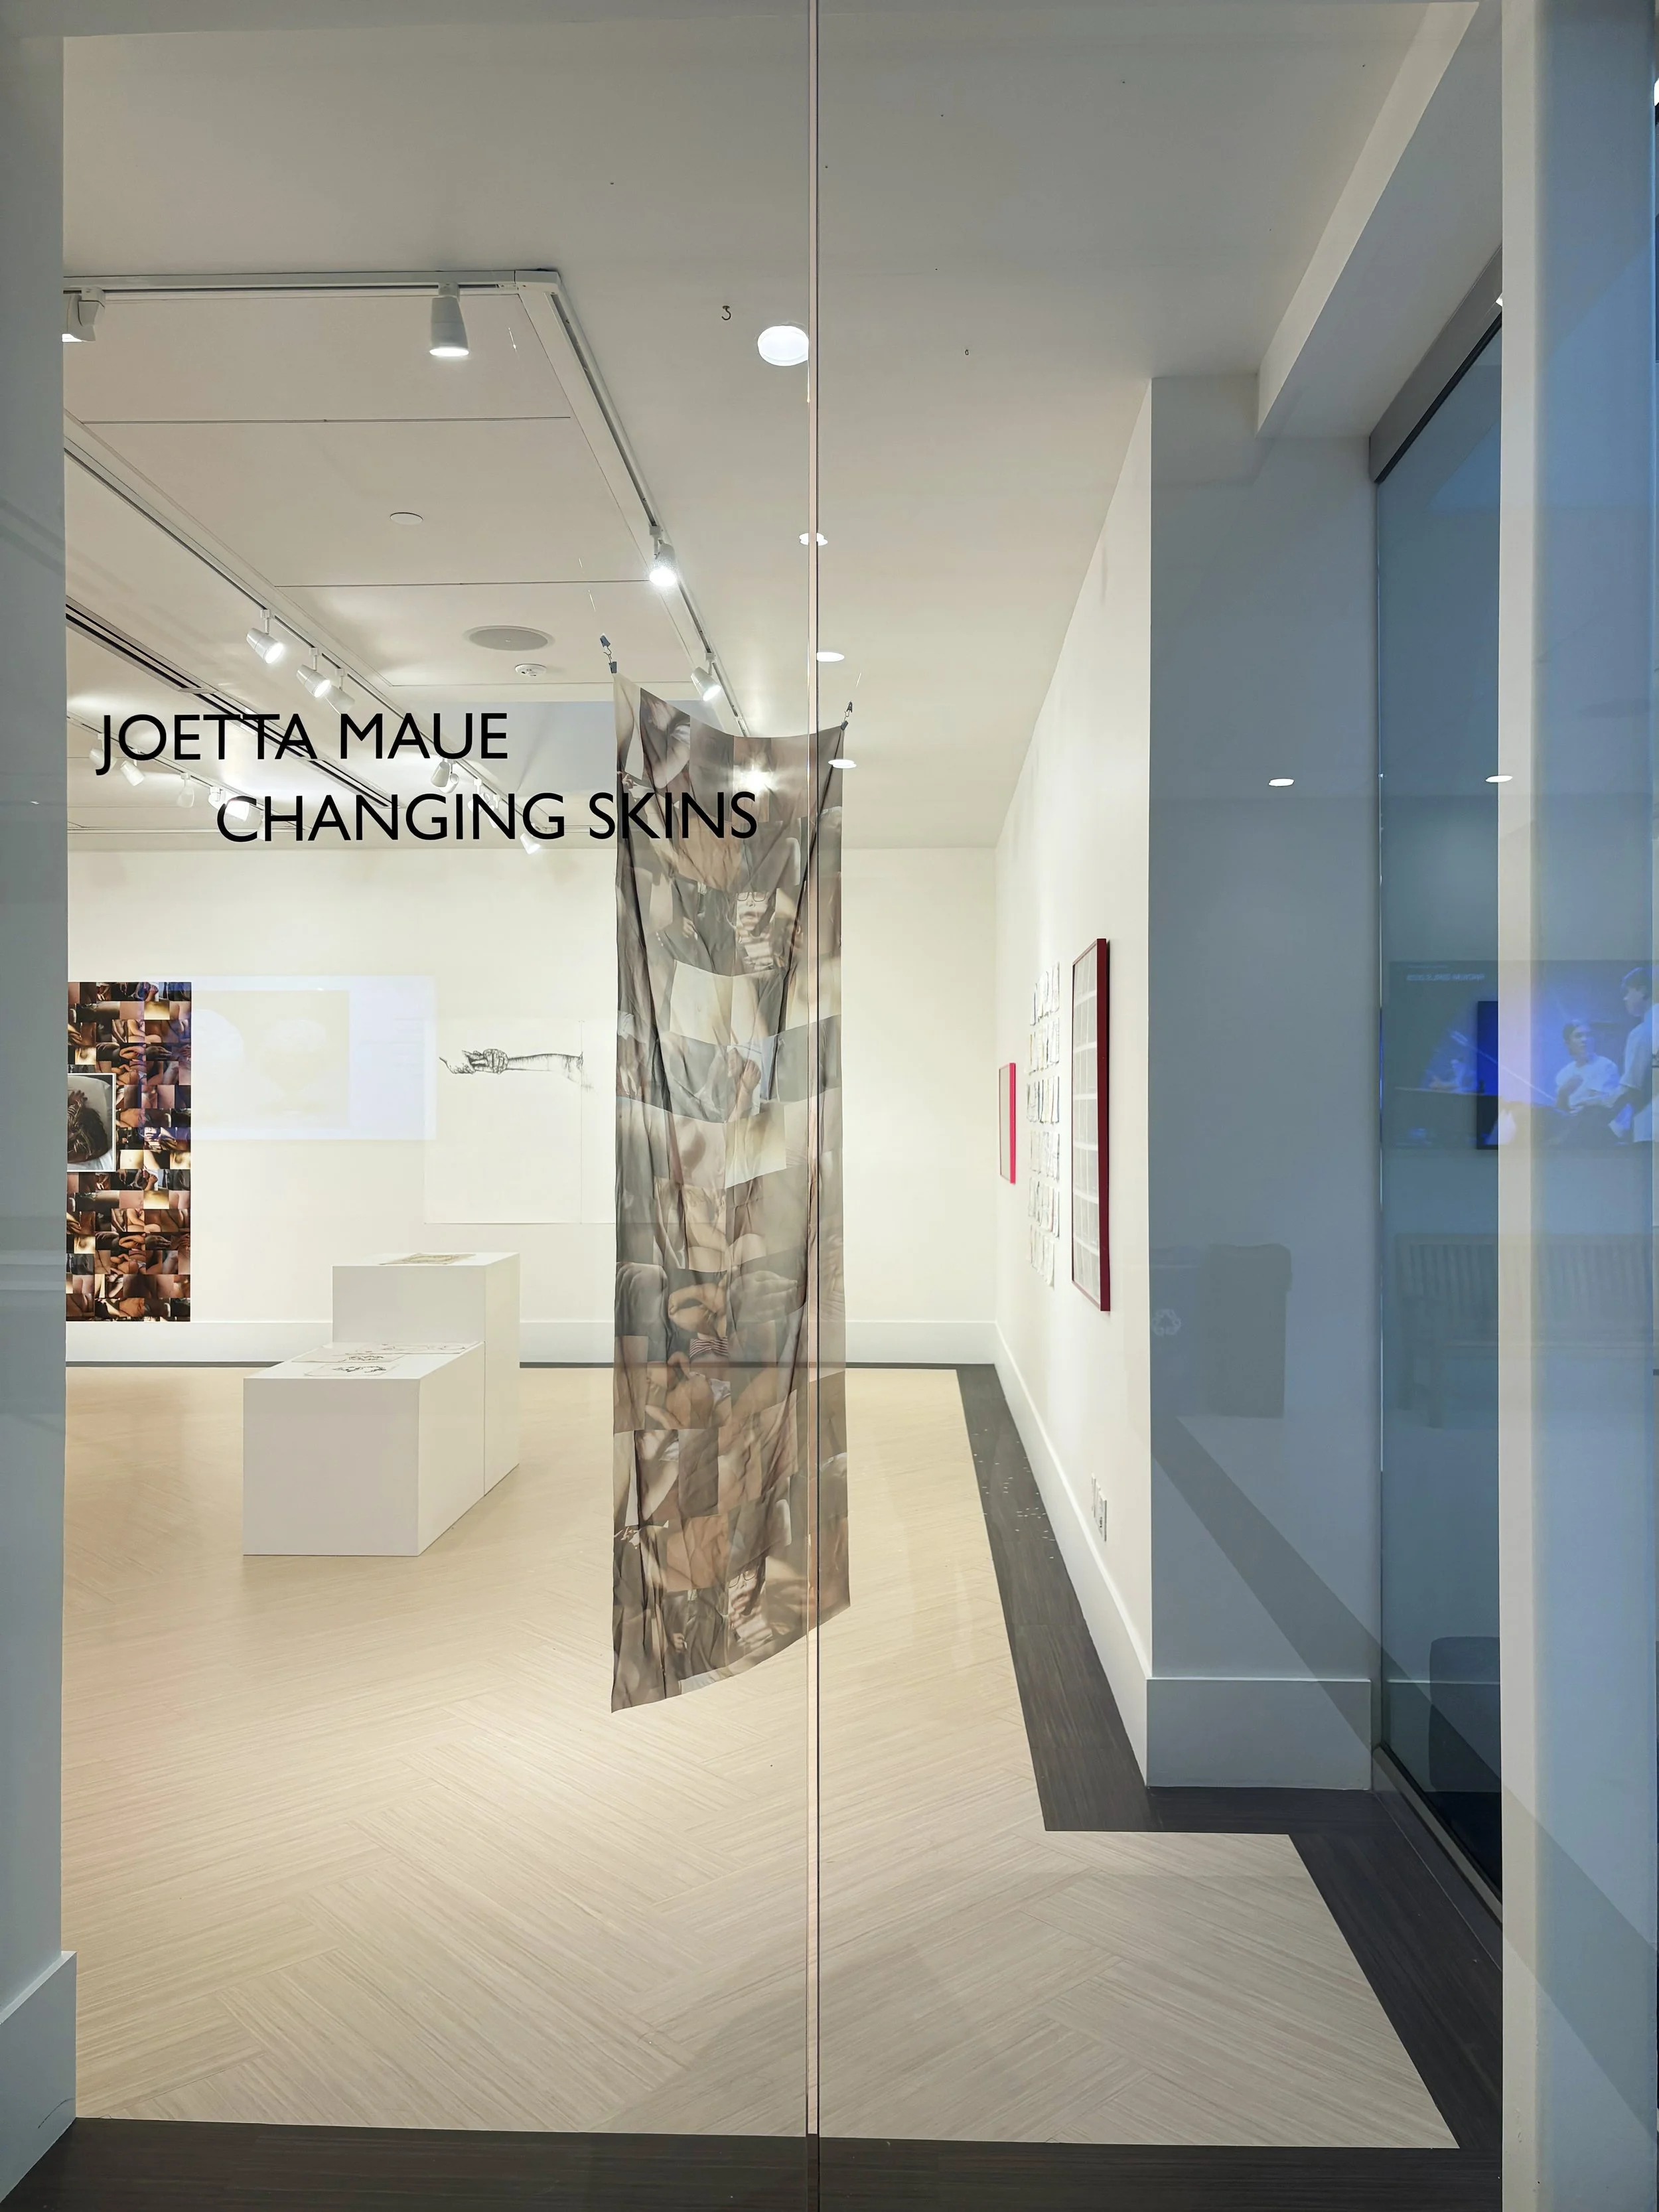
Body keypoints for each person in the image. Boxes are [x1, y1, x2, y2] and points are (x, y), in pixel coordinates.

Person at [1609, 970, 1657, 1142]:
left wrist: (1598, 1102)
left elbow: (1630, 1089)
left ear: (1643, 991)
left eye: (1628, 992)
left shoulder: (1643, 1032)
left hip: (1651, 1129)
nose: (1625, 999)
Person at [1554, 1021, 1621, 1115]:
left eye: (1589, 1035)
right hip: (1575, 1122)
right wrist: (1563, 1093)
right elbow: (1560, 1110)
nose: (1585, 1040)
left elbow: (1603, 1104)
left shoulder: (1606, 1066)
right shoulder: (1564, 1074)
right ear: (1568, 1043)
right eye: (1578, 1036)